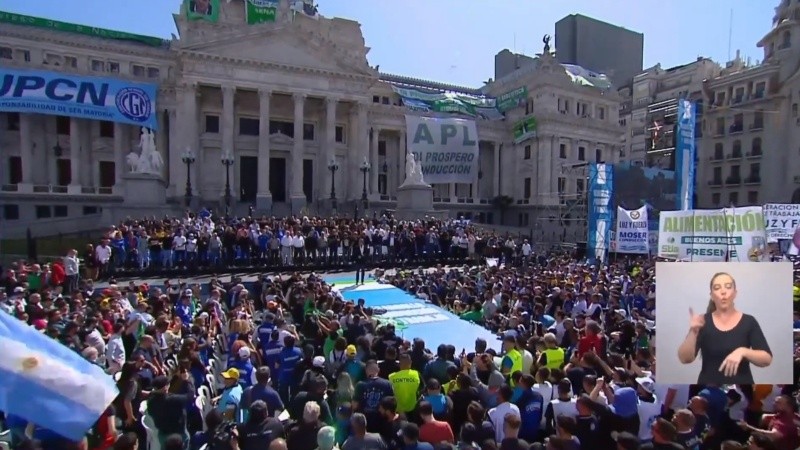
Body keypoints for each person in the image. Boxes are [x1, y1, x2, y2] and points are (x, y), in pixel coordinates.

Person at [677, 272, 773, 384]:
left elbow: (767, 359)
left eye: (728, 287)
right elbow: (685, 359)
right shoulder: (703, 322)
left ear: (735, 293)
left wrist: (743, 351)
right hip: (708, 385)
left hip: (743, 386)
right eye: (717, 288)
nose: (723, 292)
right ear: (712, 295)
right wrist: (693, 332)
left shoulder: (749, 321)